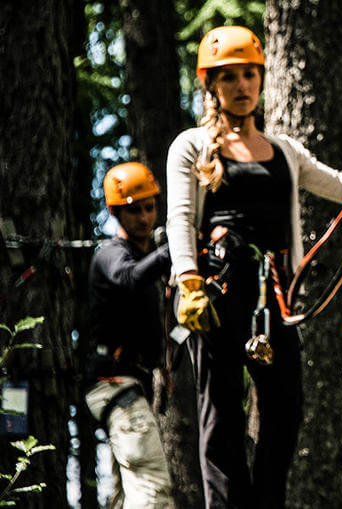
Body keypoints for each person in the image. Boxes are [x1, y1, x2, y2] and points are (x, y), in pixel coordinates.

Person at [165, 25, 342, 508]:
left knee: (285, 409)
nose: (241, 85)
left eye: (249, 74)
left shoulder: (285, 151)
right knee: (222, 412)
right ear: (211, 84)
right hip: (216, 288)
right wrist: (187, 279)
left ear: (261, 78)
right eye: (228, 77)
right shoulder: (192, 146)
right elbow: (180, 216)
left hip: (276, 293)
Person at [85, 162, 174, 508]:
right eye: (134, 209)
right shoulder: (111, 255)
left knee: (126, 494)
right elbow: (129, 278)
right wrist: (175, 248)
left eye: (150, 207)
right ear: (115, 212)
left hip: (129, 384)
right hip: (114, 383)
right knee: (151, 485)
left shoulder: (143, 257)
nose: (144, 217)